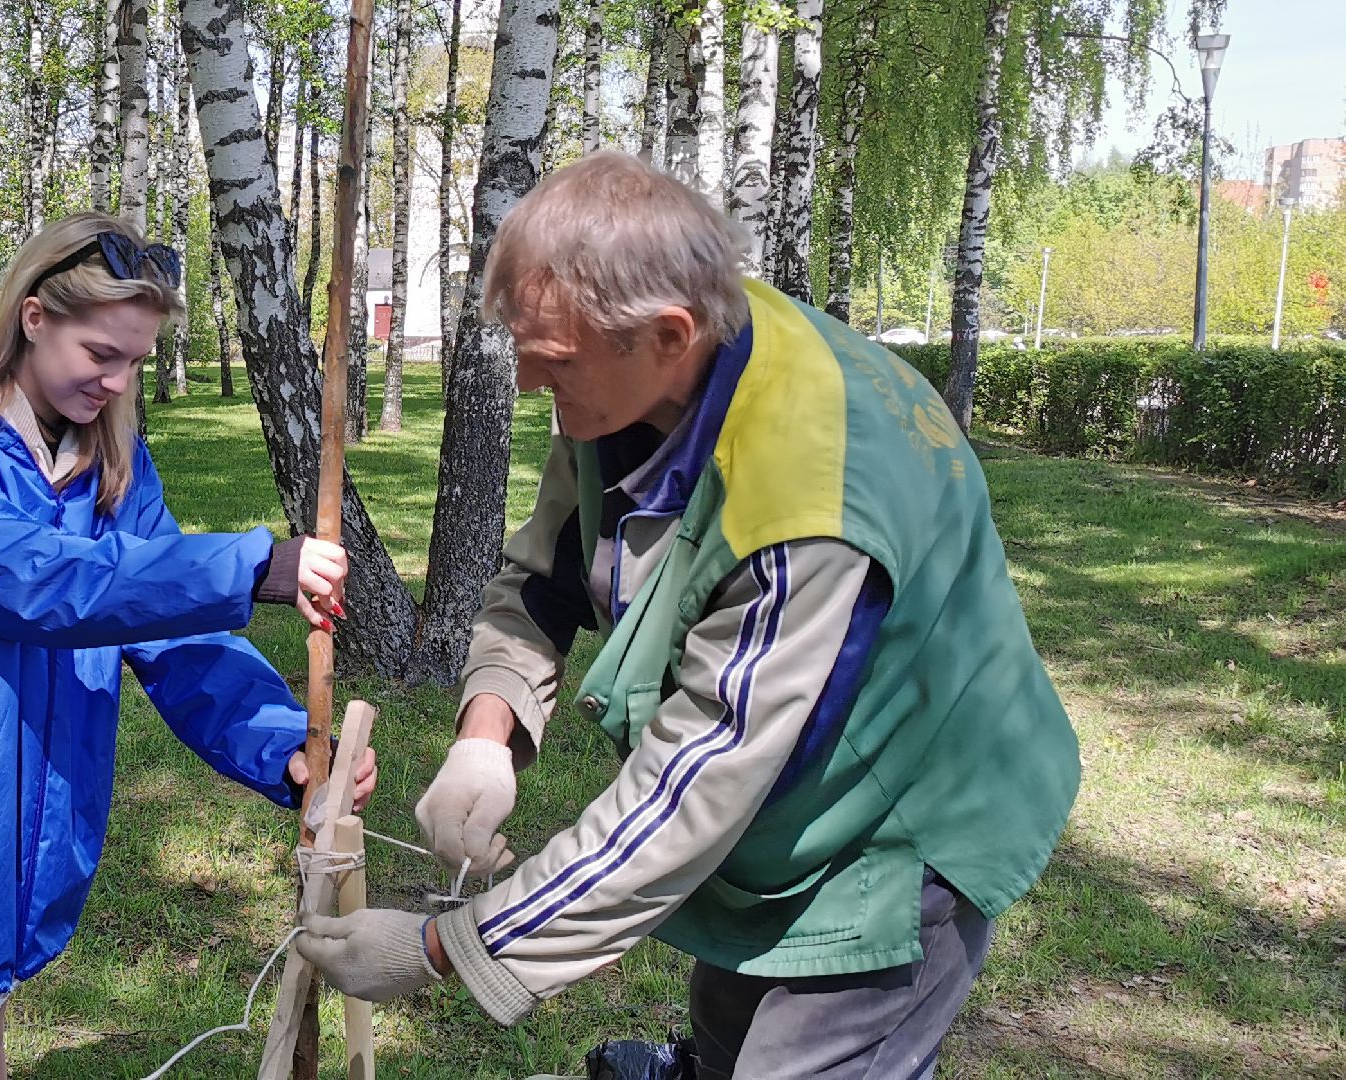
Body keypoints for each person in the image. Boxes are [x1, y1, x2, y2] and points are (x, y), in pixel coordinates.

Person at [296, 151, 1081, 1079]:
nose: (526, 382)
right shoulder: (655, 366)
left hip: (909, 818)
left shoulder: (809, 503)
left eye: (552, 362)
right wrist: (485, 732)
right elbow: (546, 573)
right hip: (790, 800)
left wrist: (443, 948)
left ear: (667, 333)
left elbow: (696, 787)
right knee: (728, 1029)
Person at [0, 212, 377, 1080]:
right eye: (101, 354)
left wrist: (282, 742)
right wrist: (250, 563)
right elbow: (28, 577)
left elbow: (173, 630)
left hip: (19, 824)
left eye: (136, 361)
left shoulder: (110, 461)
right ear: (34, 318)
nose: (117, 381)